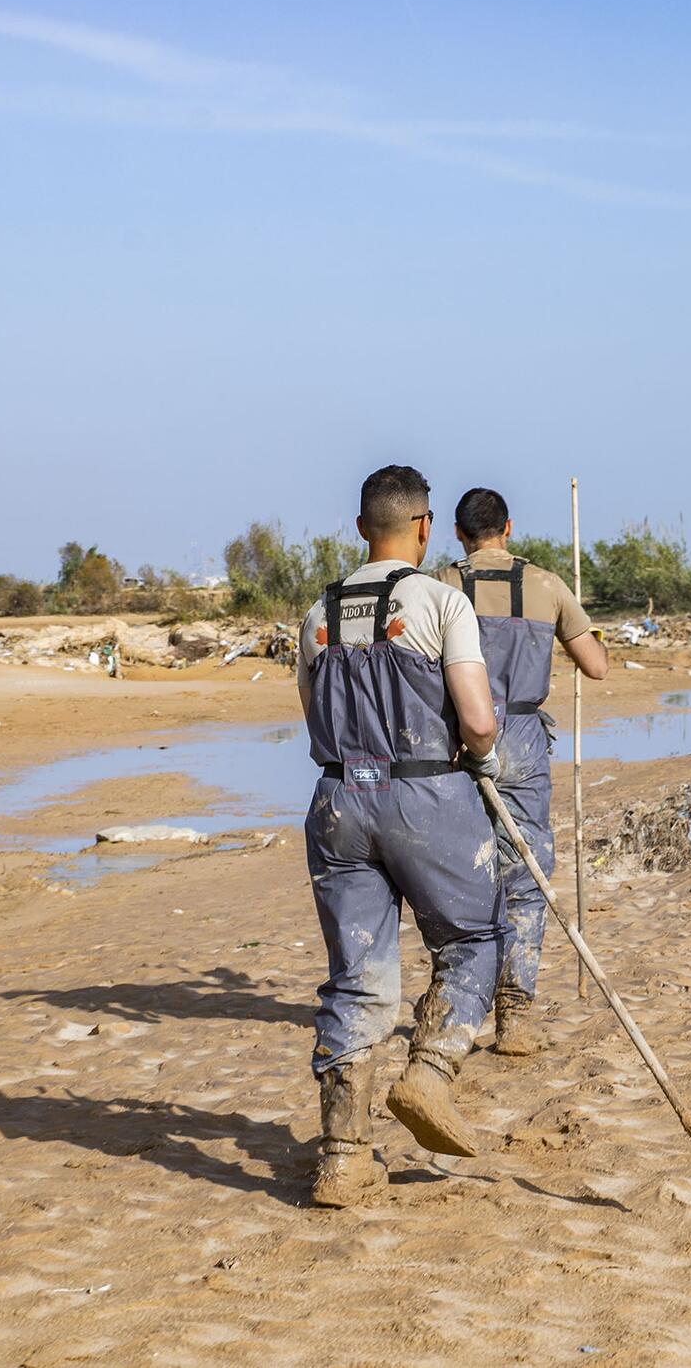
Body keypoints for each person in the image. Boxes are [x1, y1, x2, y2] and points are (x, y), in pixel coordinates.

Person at [296, 464, 503, 1209]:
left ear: (360, 529)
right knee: (476, 939)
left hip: (337, 802)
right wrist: (483, 755)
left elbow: (312, 710)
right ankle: (430, 1071)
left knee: (358, 976)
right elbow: (477, 721)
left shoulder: (318, 613)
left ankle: (343, 1158)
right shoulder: (441, 601)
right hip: (424, 795)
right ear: (424, 527)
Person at [435, 488, 607, 1058]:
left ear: (458, 532)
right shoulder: (548, 585)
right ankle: (516, 1013)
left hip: (456, 738)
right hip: (525, 740)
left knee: (458, 871)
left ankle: (456, 1002)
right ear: (508, 527)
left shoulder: (440, 585)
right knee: (526, 875)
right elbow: (596, 666)